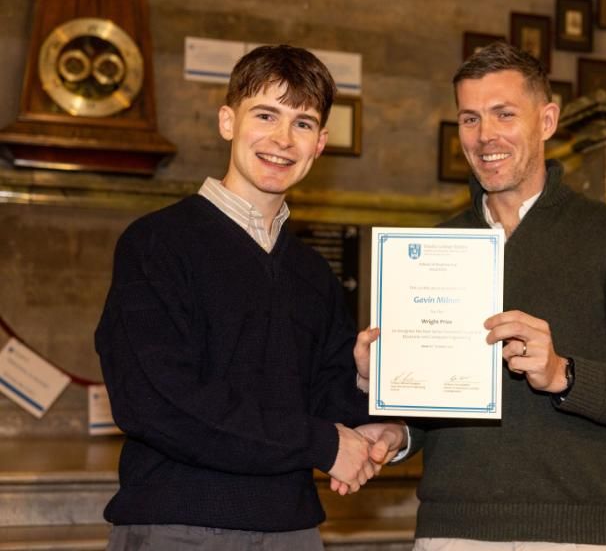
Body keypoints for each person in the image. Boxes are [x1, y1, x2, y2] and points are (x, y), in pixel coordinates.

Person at [95, 44, 405, 550]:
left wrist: (363, 378)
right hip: (178, 524)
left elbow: (319, 399)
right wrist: (324, 444)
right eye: (266, 115)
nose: (283, 139)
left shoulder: (312, 272)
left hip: (293, 531)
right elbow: (157, 403)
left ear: (321, 143)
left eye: (303, 124)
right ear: (227, 121)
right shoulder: (156, 243)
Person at [407, 42, 606, 549]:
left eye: (504, 114)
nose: (485, 136)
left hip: (571, 537)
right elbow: (429, 407)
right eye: (470, 119)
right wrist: (386, 401)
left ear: (546, 120)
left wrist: (564, 374)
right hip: (449, 535)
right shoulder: (435, 246)